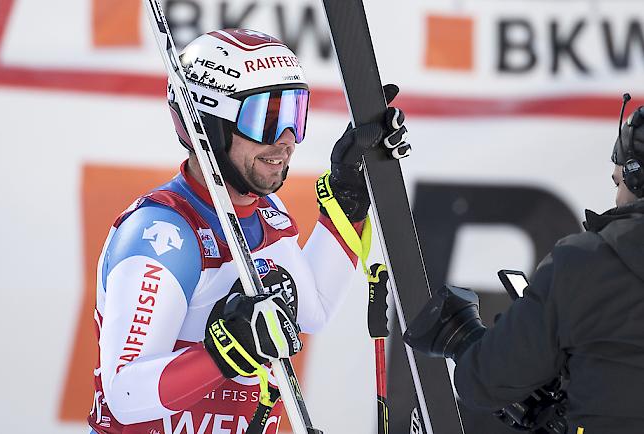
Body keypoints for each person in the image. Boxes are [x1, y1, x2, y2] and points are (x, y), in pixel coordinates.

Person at [87, 28, 410, 434]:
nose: (287, 142)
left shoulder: (266, 213)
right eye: (266, 120)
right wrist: (223, 355)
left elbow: (312, 310)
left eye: (295, 116)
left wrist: (347, 197)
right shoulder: (162, 235)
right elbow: (124, 396)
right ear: (208, 124)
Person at [403, 97, 644, 434]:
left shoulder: (584, 263)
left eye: (618, 182)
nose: (616, 198)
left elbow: (486, 379)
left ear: (636, 180)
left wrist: (468, 342)